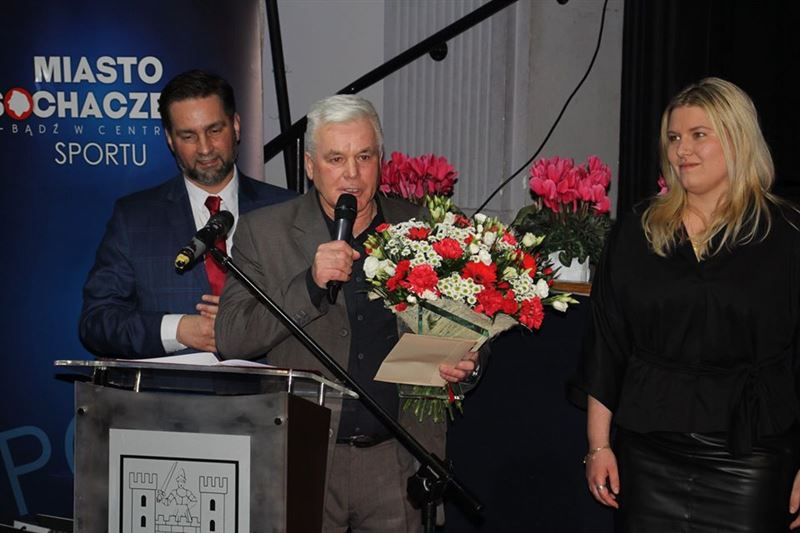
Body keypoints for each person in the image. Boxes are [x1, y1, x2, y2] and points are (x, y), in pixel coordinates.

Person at [215, 94, 479, 532]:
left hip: (396, 459)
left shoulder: (424, 230)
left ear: (381, 161)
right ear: (310, 165)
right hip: (302, 458)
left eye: (364, 157)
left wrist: (467, 364)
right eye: (336, 158)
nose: (352, 174)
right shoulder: (265, 232)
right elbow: (231, 337)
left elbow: (466, 327)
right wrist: (308, 285)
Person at [572, 77, 800, 532]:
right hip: (648, 450)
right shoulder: (639, 229)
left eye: (698, 135)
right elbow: (608, 343)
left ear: (738, 139)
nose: (682, 151)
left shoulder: (787, 234)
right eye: (674, 138)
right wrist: (598, 445)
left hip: (752, 456)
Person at [79, 69, 295, 358]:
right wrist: (178, 329)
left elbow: (318, 312)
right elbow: (97, 322)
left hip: (269, 384)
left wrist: (254, 322)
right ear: (170, 139)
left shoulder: (287, 209)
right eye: (188, 135)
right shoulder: (134, 219)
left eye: (214, 131)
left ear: (236, 126)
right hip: (176, 386)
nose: (205, 148)